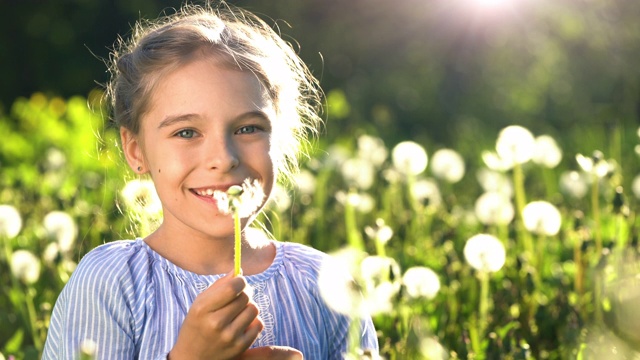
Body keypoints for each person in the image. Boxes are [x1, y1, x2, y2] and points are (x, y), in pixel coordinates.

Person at [42, 2, 379, 359]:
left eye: (248, 128)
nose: (223, 158)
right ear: (136, 150)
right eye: (187, 132)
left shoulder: (324, 283)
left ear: (279, 140)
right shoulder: (111, 282)